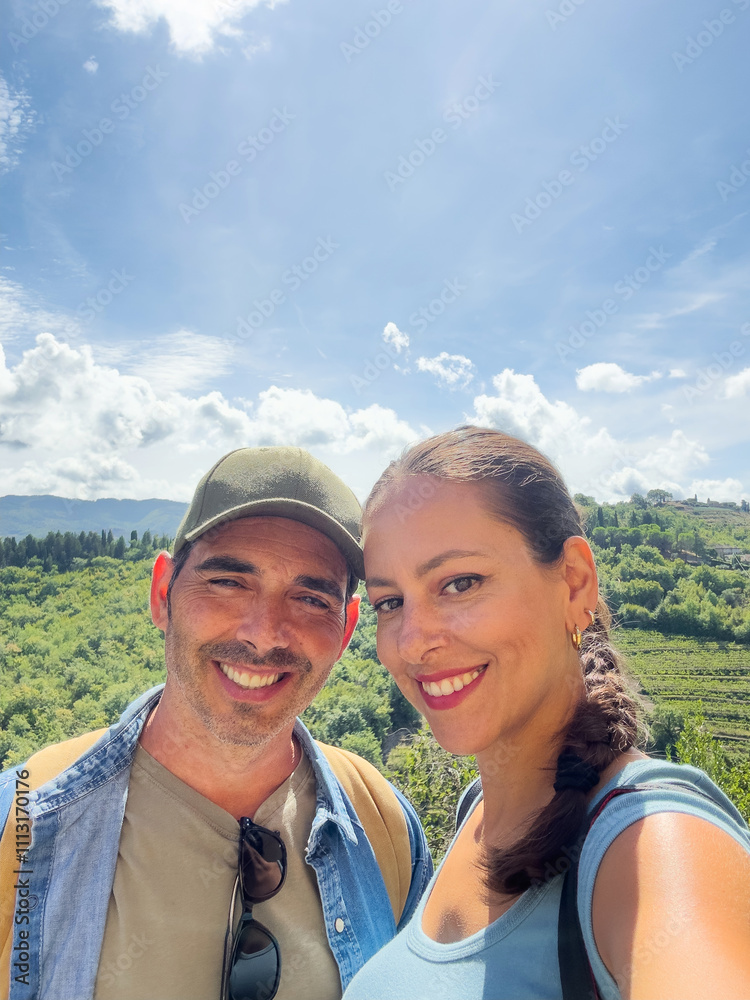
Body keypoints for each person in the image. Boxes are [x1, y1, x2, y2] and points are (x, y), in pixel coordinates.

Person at [0, 447, 431, 1000]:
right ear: (163, 594)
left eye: (309, 597)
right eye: (228, 581)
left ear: (346, 629)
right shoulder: (24, 824)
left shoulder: (383, 826)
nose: (265, 633)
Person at [343, 426, 750, 1000]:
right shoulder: (478, 814)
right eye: (390, 603)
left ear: (575, 582)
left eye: (460, 583)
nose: (411, 642)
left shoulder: (656, 842)